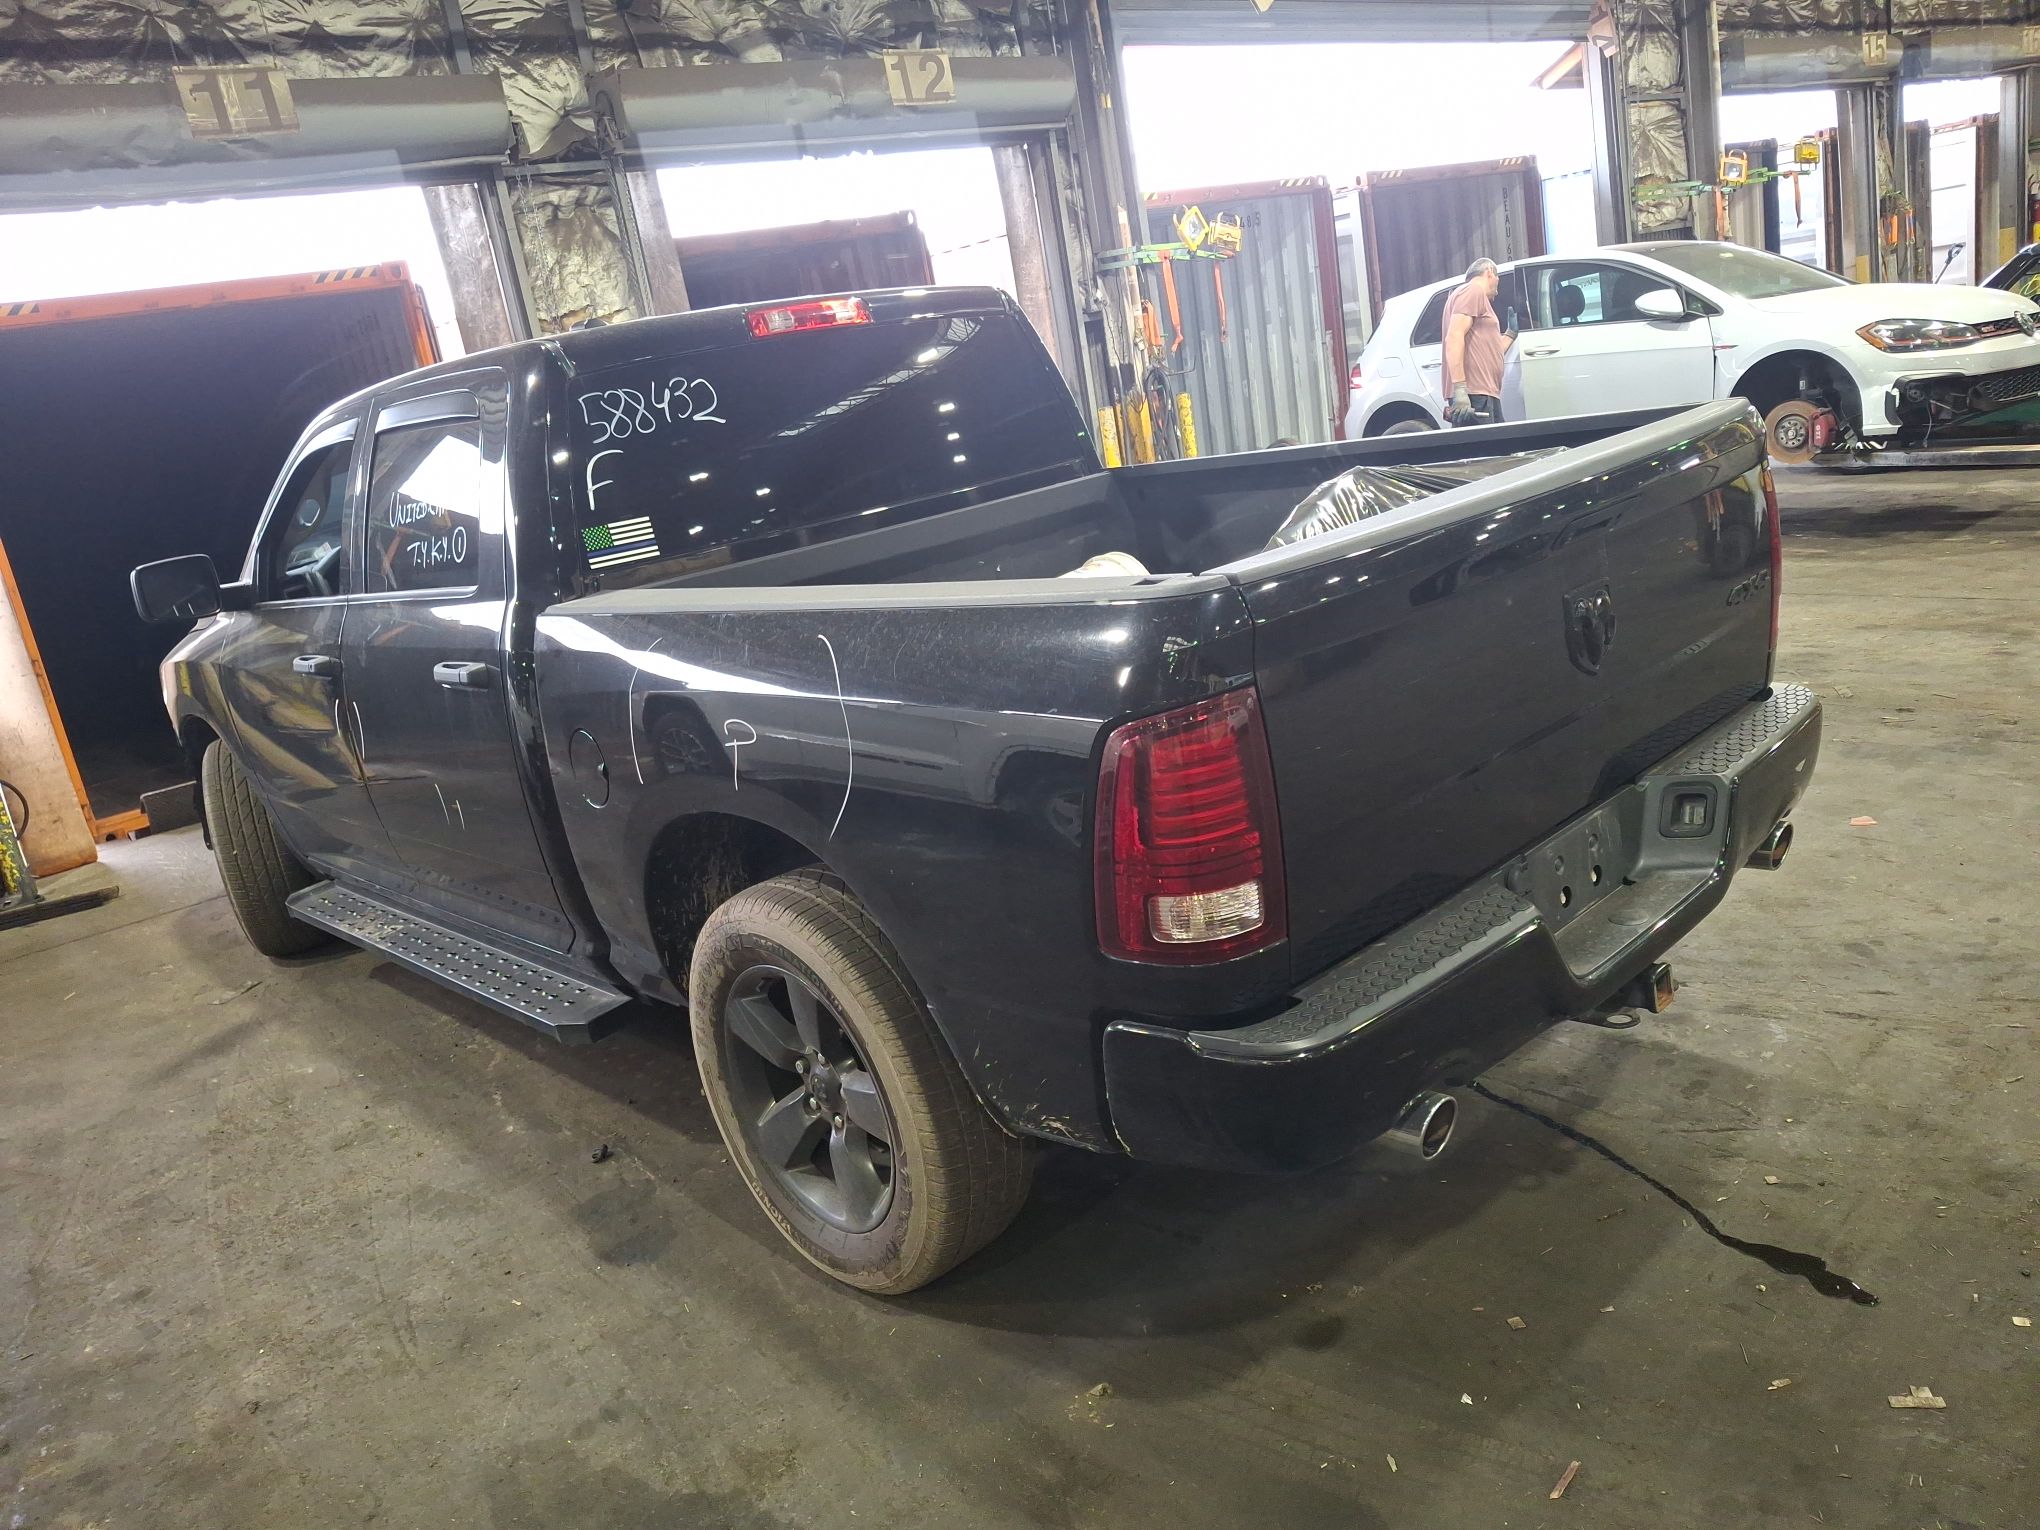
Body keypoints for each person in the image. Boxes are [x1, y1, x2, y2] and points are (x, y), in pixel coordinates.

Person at [1441, 257, 1516, 427]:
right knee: (1484, 444)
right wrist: (1460, 389)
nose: (1497, 291)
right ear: (1489, 272)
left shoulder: (1472, 296)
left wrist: (1510, 334)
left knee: (1495, 443)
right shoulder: (1473, 291)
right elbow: (1454, 337)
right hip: (1474, 394)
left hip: (1482, 393)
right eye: (1498, 278)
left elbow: (1491, 351)